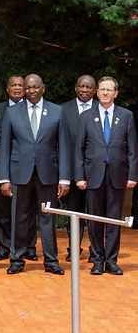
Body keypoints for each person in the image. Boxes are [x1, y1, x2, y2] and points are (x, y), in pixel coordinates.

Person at [0, 74, 69, 275]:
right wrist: (4, 178)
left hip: (48, 173)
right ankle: (17, 259)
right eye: (28, 88)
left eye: (34, 87)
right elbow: (4, 147)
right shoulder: (13, 113)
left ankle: (51, 260)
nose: (30, 91)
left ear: (43, 88)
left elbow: (63, 146)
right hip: (20, 173)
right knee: (19, 217)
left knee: (48, 218)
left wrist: (64, 178)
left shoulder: (57, 112)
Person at [74, 77, 137, 275]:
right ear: (97, 92)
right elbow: (79, 150)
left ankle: (112, 261)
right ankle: (97, 260)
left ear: (116, 93)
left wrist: (132, 175)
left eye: (109, 90)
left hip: (117, 175)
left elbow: (133, 150)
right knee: (94, 219)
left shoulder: (126, 116)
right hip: (93, 175)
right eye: (102, 90)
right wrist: (79, 176)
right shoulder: (86, 116)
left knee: (113, 220)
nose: (105, 93)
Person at [61, 75, 96, 261]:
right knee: (74, 212)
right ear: (76, 88)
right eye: (81, 86)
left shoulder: (102, 109)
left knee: (95, 213)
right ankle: (73, 248)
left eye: (88, 87)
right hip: (74, 172)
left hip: (96, 172)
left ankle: (95, 250)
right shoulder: (63, 110)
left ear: (95, 90)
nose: (84, 90)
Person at [0, 76, 26, 261]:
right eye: (14, 85)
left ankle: (27, 246)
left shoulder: (31, 109)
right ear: (7, 88)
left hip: (26, 167)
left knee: (25, 211)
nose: (18, 88)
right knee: (3, 211)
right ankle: (4, 246)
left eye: (21, 85)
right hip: (1, 167)